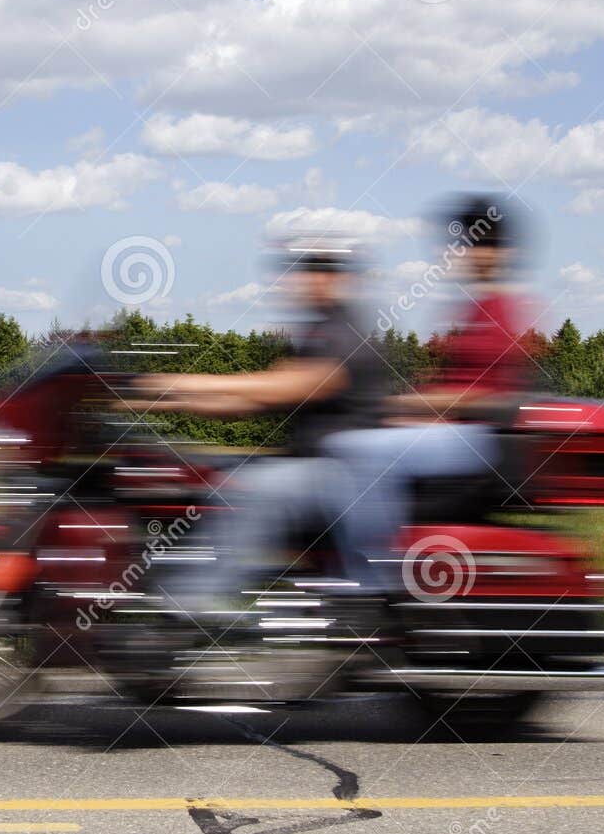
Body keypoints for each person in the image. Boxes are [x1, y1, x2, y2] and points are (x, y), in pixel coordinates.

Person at [131, 241, 388, 612]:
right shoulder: (319, 331)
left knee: (248, 487)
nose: (308, 279)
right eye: (304, 270)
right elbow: (251, 401)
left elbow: (289, 386)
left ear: (341, 279)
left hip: (345, 474)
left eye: (322, 271)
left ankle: (191, 601)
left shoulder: (346, 331)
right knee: (197, 472)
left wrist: (179, 381)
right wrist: (166, 401)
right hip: (313, 467)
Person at [321, 194, 536, 590]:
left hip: (481, 439)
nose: (467, 253)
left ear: (501, 253)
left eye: (479, 245)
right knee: (363, 443)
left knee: (358, 450)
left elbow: (478, 395)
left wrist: (400, 405)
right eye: (465, 244)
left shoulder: (501, 308)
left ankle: (368, 580)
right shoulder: (477, 305)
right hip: (463, 432)